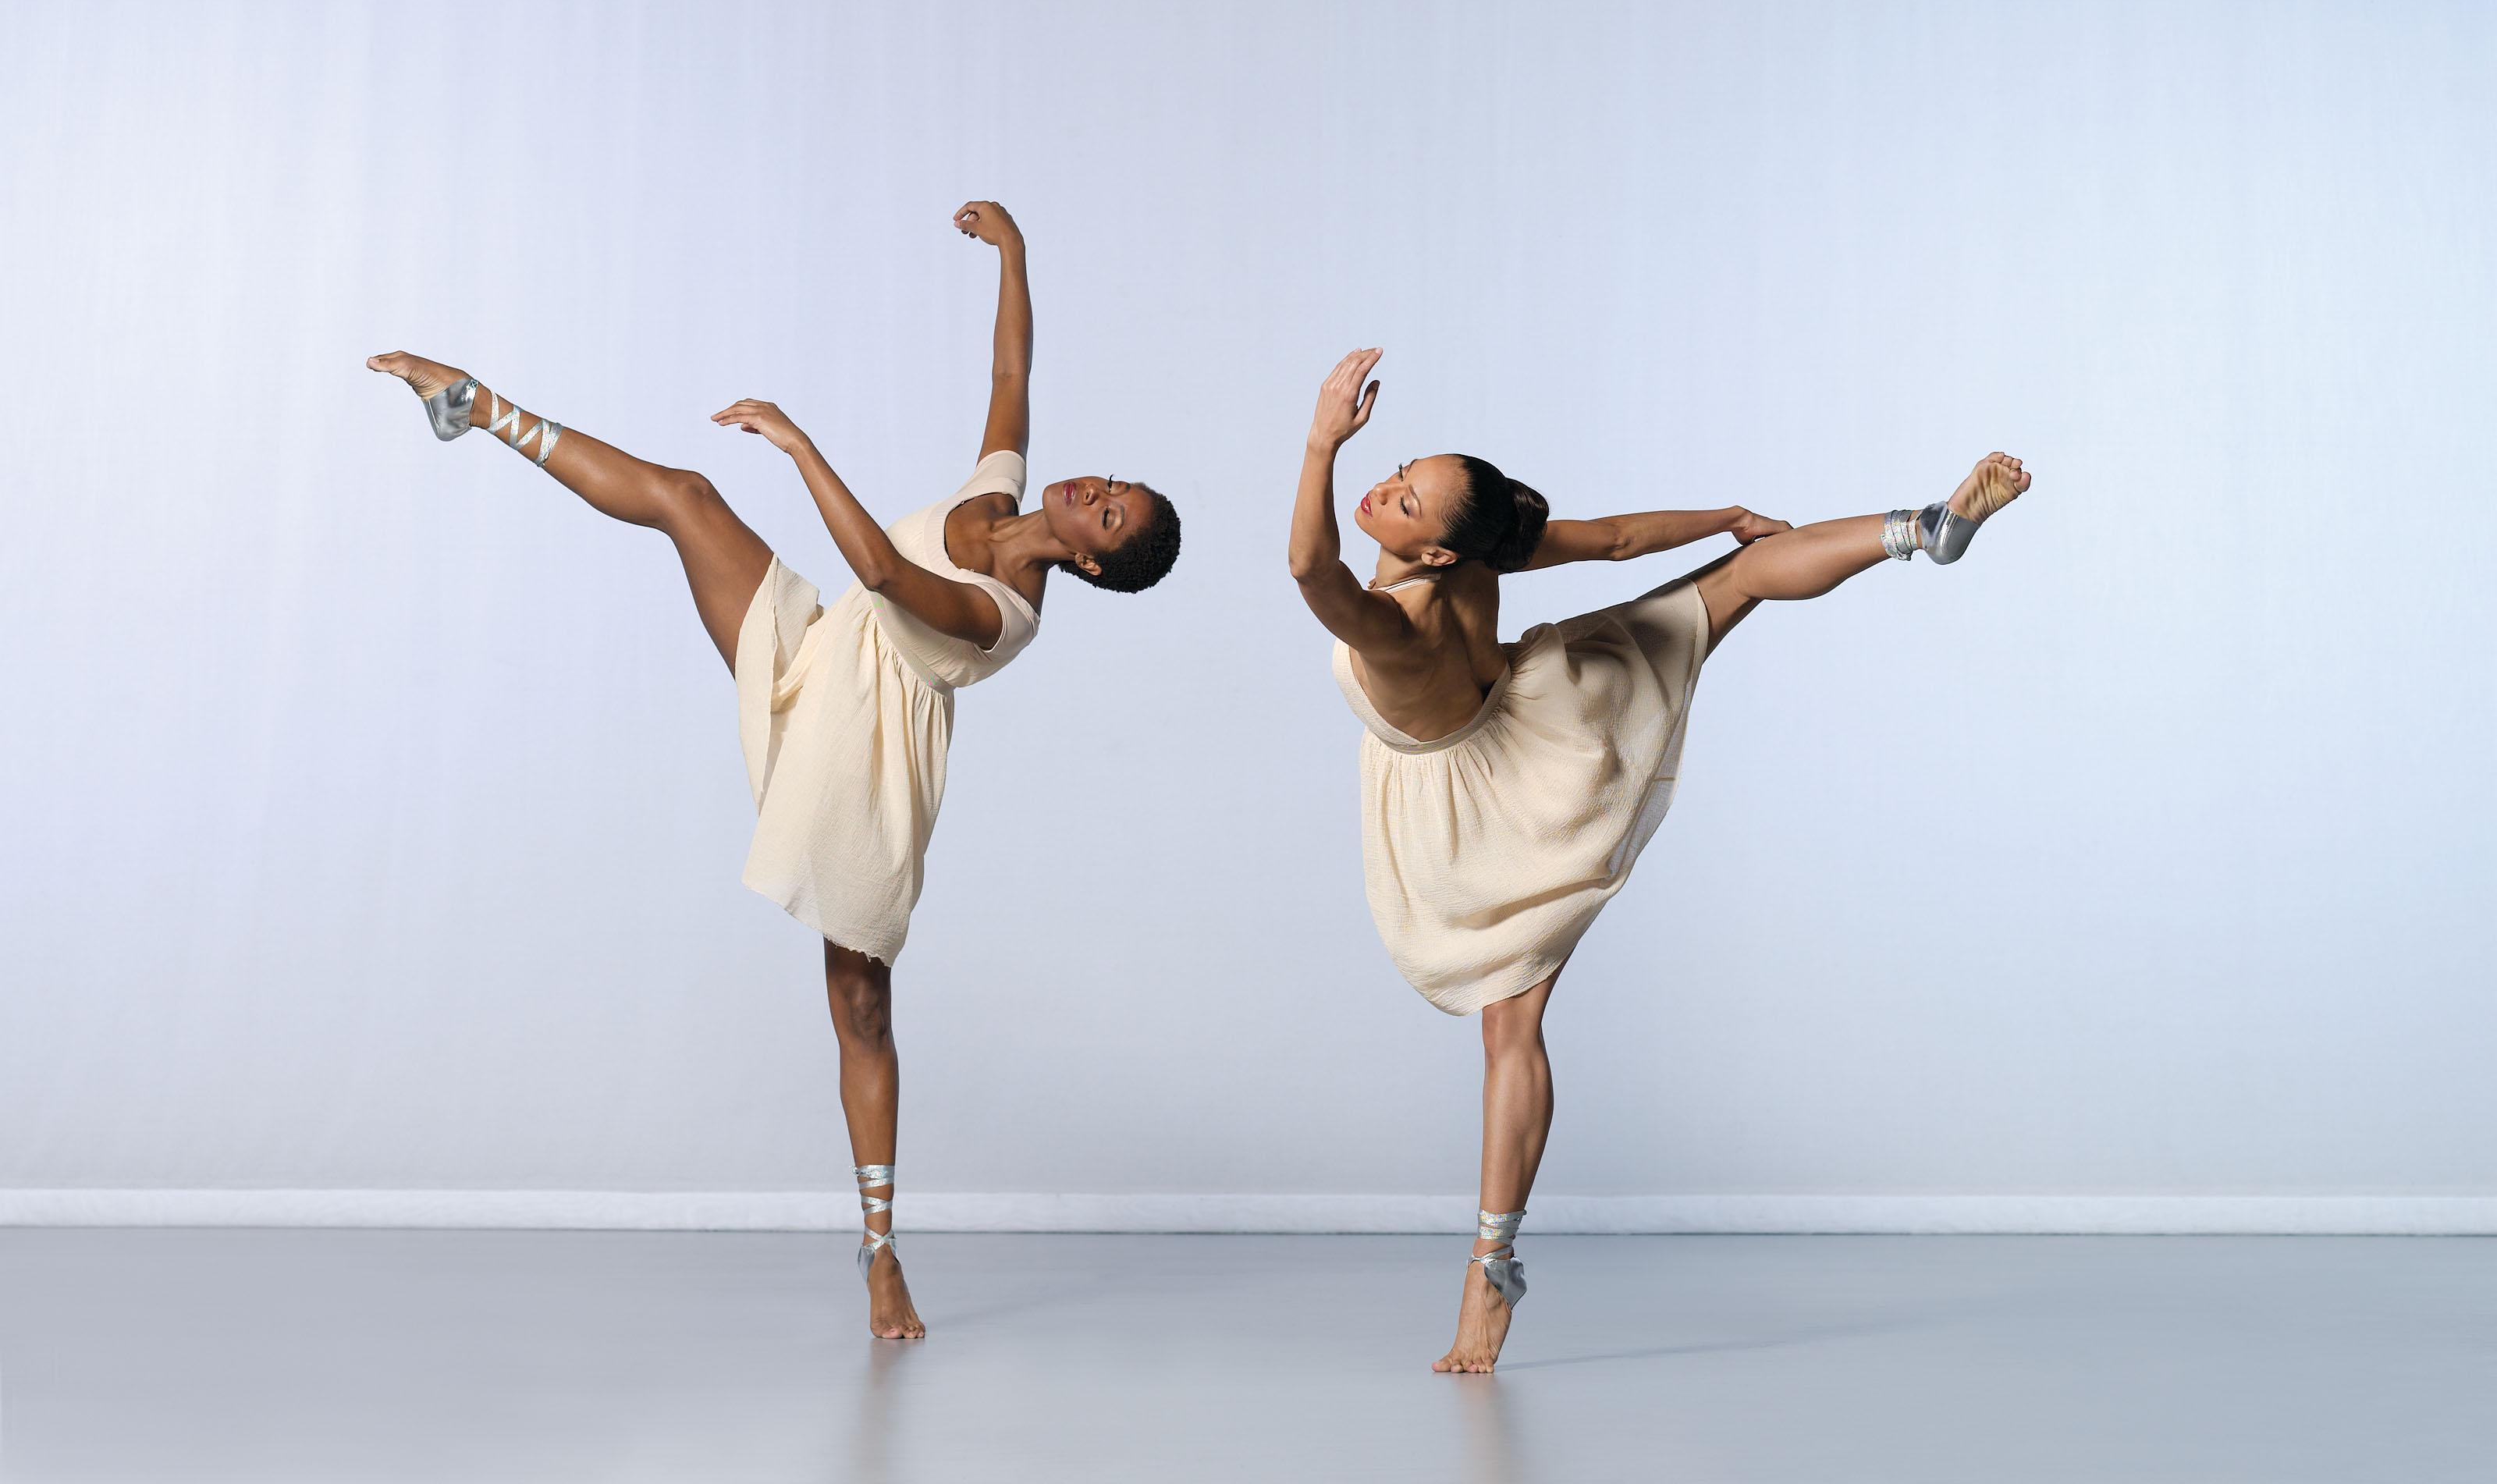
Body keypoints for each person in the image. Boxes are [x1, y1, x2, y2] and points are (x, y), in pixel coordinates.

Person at [368, 202, 1181, 1339]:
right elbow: (1012, 367)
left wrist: (802, 445)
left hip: (862, 766)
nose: (1095, 489)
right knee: (688, 497)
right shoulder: (997, 495)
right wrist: (1016, 253)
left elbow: (889, 576)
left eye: (1109, 512)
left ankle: (881, 1250)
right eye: (1113, 483)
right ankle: (470, 404)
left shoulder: (1008, 614)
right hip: (815, 647)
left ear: (1094, 565)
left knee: (860, 1007)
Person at [1287, 346, 2027, 1372]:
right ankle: (1919, 530)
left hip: (1485, 807)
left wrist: (1322, 444)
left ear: (1446, 552)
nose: (1383, 489)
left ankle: (1489, 1275)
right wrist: (1724, 520)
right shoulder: (1489, 552)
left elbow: (1308, 570)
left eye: (1405, 495)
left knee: (1510, 1036)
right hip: (1549, 720)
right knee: (1736, 582)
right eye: (1395, 477)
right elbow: (1624, 539)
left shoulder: (1390, 625)